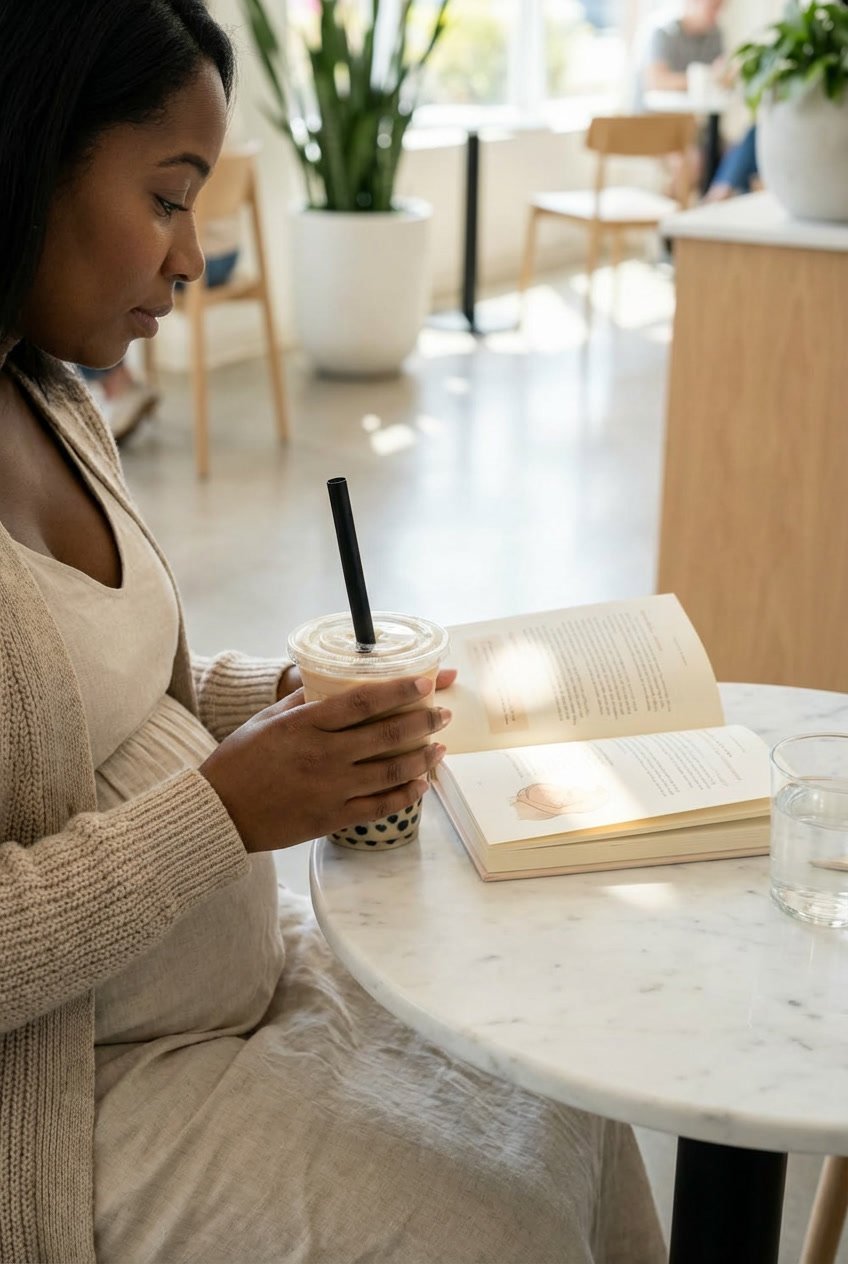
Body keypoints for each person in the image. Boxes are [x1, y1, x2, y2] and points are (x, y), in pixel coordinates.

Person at [0, 3, 666, 1262]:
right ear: (27, 154)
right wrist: (226, 809)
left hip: (225, 996)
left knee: (572, 1105)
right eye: (166, 196)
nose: (192, 256)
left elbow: (131, 695)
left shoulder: (46, 391)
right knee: (502, 1225)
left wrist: (280, 698)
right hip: (67, 1105)